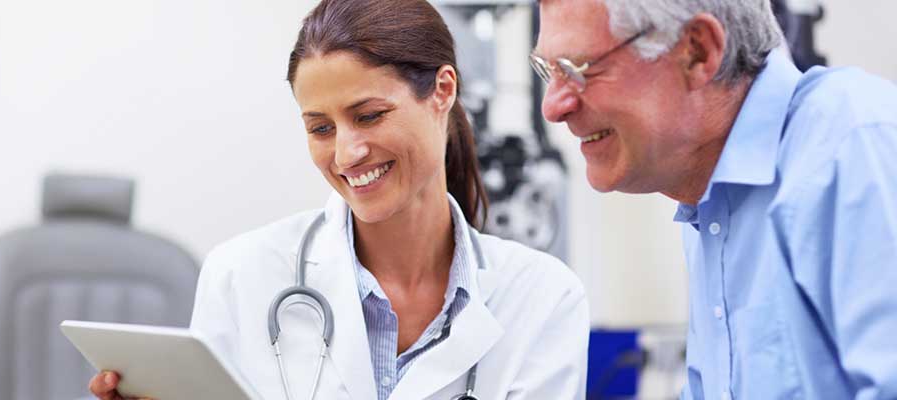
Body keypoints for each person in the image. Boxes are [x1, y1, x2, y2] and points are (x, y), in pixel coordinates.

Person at [90, 0, 589, 399]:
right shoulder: (241, 275)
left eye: (369, 115)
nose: (347, 153)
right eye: (321, 128)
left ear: (442, 91)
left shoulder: (543, 300)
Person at [533, 0, 897, 398]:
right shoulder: (710, 206)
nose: (552, 107)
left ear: (697, 52)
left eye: (577, 69)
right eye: (548, 70)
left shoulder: (853, 148)